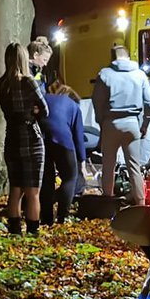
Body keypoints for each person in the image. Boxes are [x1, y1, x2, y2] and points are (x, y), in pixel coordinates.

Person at [94, 43, 150, 204]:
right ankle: (141, 203)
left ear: (112, 57)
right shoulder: (139, 75)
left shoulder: (104, 74)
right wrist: (145, 124)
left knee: (109, 165)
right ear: (128, 56)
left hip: (111, 123)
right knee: (134, 166)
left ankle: (108, 201)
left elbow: (98, 102)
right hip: (132, 124)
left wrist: (101, 122)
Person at [0, 42, 47, 234]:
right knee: (33, 191)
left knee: (15, 188)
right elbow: (44, 110)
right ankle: (33, 232)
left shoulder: (1, 83)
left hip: (12, 138)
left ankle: (15, 230)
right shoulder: (28, 82)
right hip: (30, 138)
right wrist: (33, 111)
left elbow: (6, 110)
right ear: (24, 59)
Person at [42, 83, 88, 223]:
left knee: (46, 179)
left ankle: (46, 218)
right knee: (70, 177)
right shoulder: (74, 107)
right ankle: (62, 217)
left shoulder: (45, 98)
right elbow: (78, 137)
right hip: (62, 139)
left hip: (41, 138)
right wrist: (82, 163)